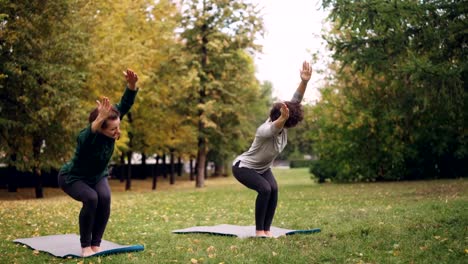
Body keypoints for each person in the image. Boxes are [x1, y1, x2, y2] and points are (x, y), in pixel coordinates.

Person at [58, 69, 139, 256]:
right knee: (91, 198)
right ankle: (85, 246)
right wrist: (99, 119)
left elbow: (124, 104)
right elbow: (86, 134)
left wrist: (132, 86)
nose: (117, 131)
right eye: (112, 129)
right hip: (72, 177)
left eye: (118, 126)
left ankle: (96, 244)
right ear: (101, 127)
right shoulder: (89, 138)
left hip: (97, 176)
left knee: (105, 198)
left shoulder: (112, 125)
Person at [232, 61, 312, 237]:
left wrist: (304, 82)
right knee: (265, 189)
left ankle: (267, 231)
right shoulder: (264, 131)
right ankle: (259, 231)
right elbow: (274, 127)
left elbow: (295, 101)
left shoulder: (283, 130)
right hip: (243, 167)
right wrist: (283, 118)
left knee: (273, 189)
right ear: (282, 119)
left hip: (262, 168)